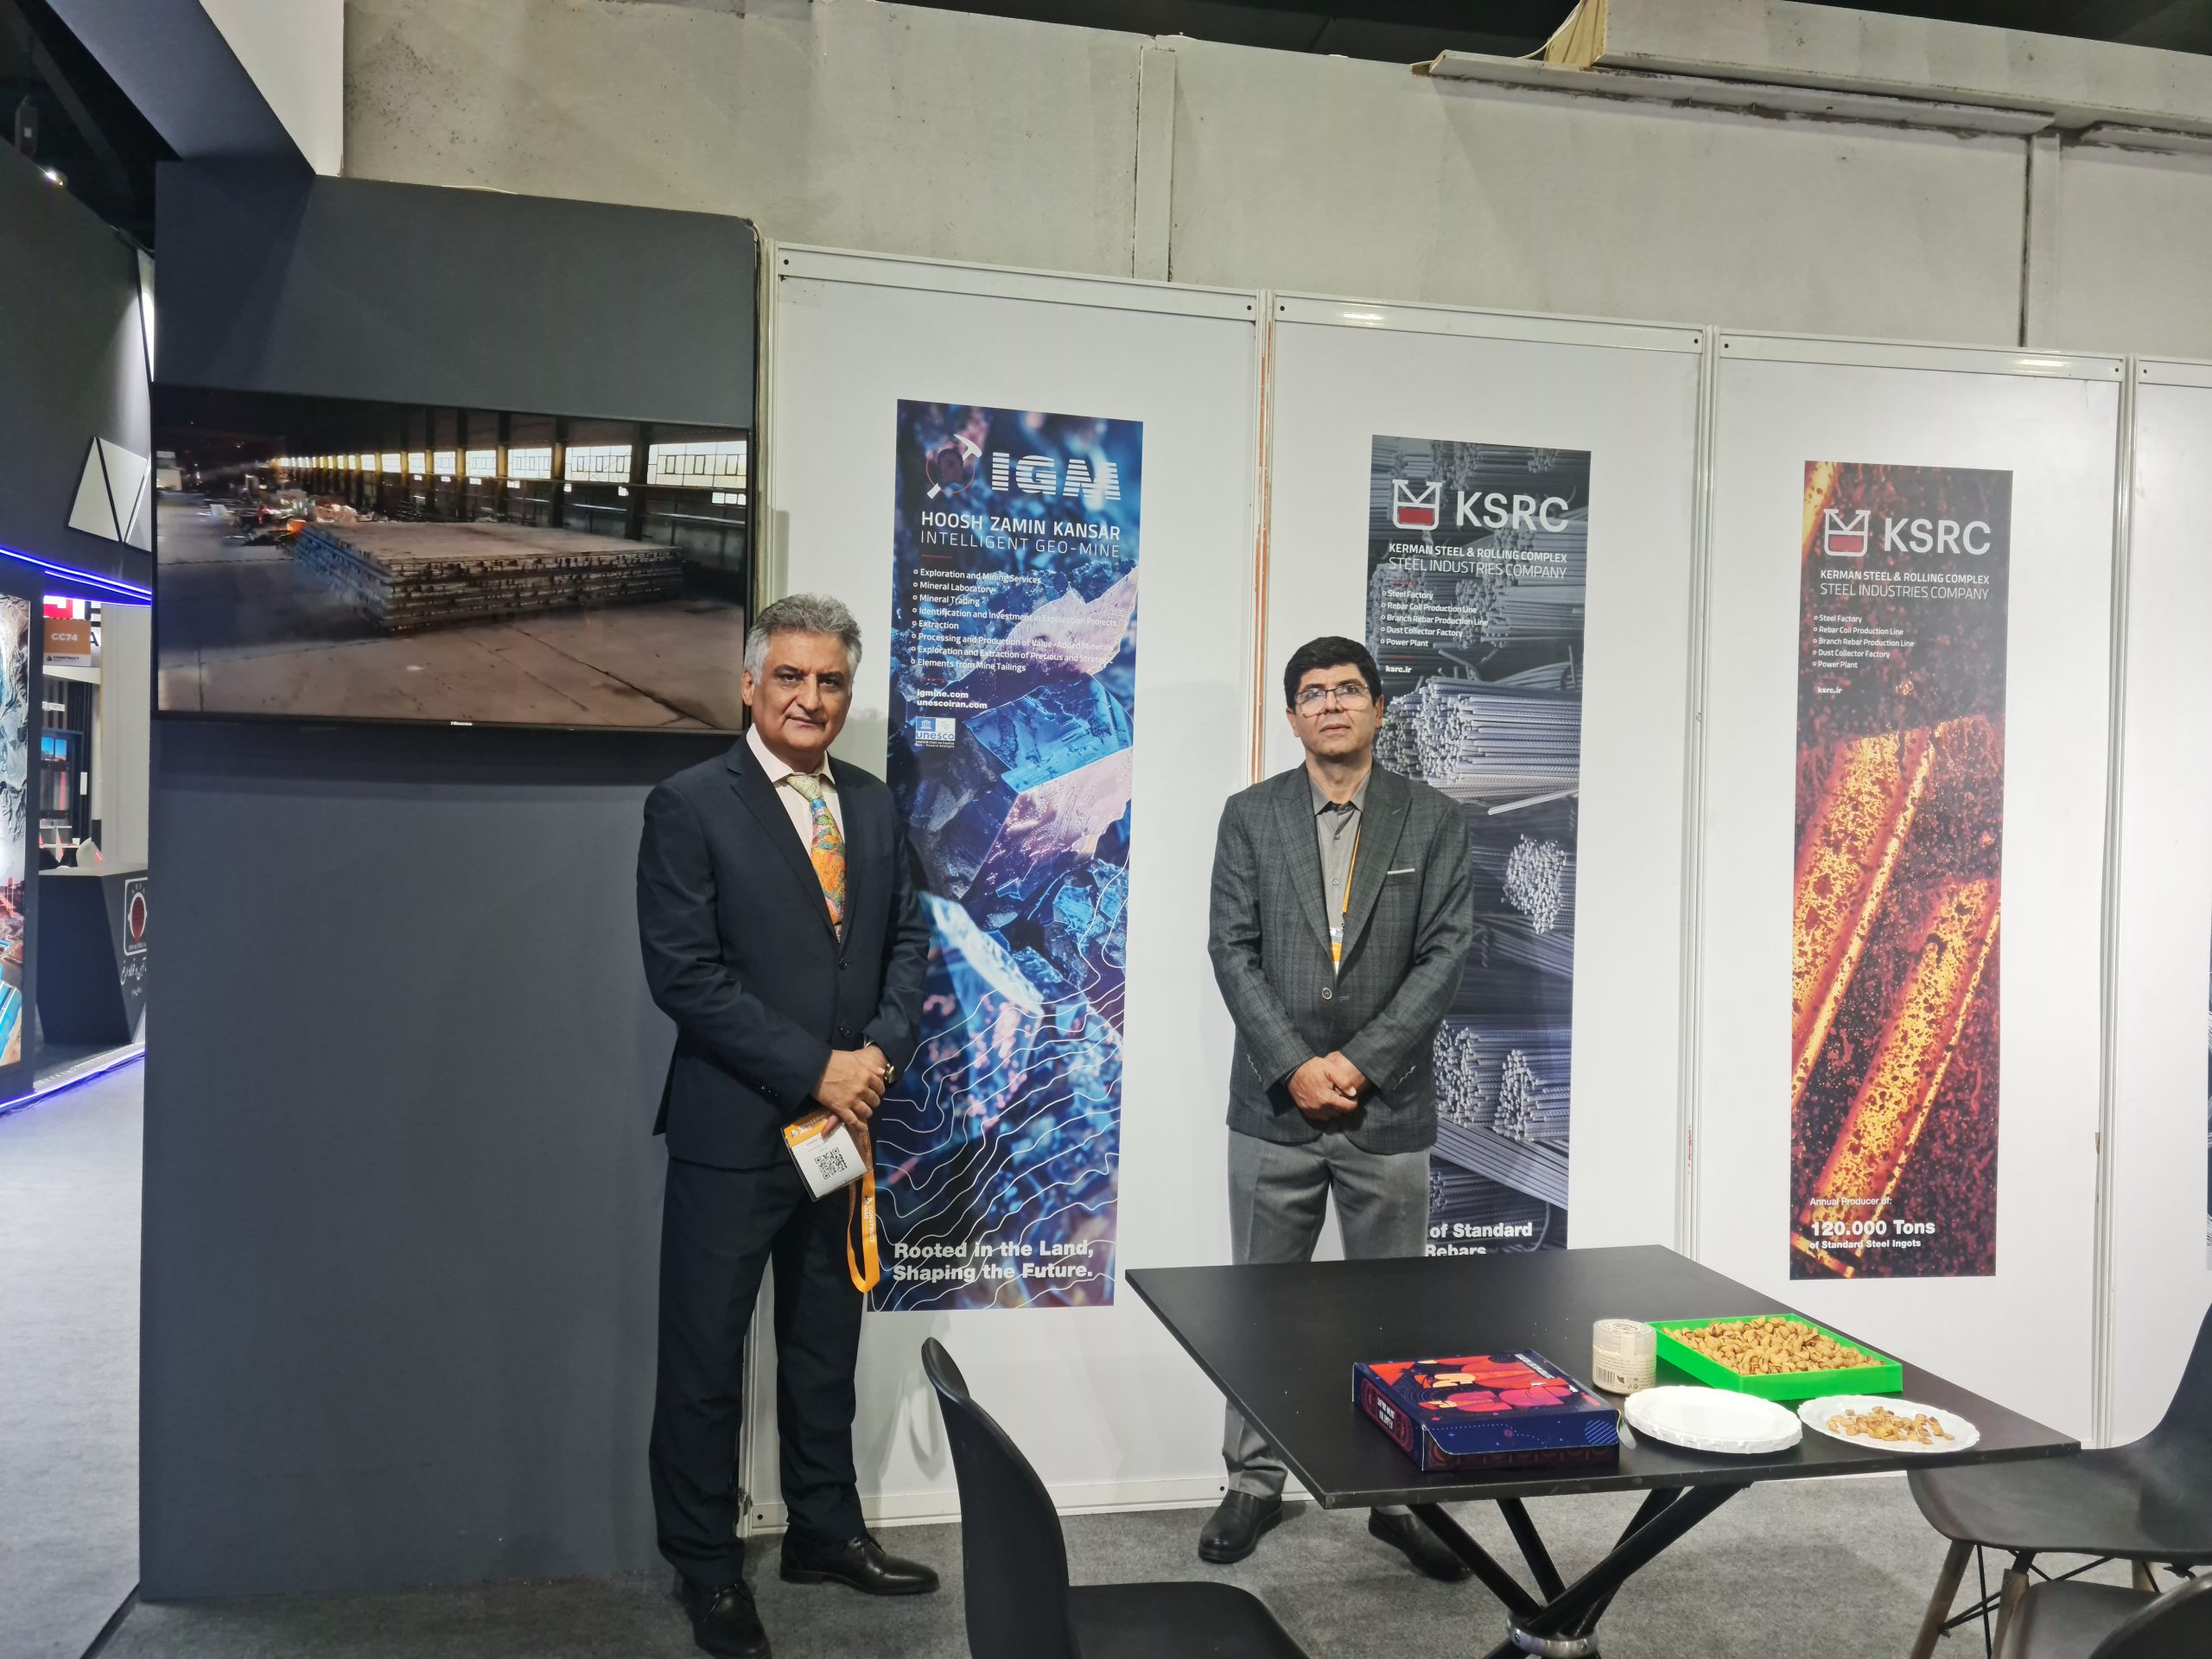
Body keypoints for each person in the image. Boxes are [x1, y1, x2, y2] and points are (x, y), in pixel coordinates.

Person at [637, 594, 938, 1659]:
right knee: (704, 1363)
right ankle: (707, 1567)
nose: (811, 698)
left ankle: (823, 1532)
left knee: (823, 1346)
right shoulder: (689, 804)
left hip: (841, 1131)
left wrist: (875, 1058)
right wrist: (817, 1067)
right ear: (750, 683)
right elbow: (685, 977)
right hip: (734, 1133)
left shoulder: (872, 804)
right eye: (791, 677)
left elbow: (907, 942)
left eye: (831, 682)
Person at [1199, 635, 1478, 1580]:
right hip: (1273, 1112)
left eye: (1348, 689)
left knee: (1395, 1317)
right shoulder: (1250, 817)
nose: (1330, 705)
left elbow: (1444, 955)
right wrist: (1295, 1067)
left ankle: (1398, 1500)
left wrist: (1358, 1063)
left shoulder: (1431, 820)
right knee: (1261, 1308)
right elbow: (1231, 951)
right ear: (1291, 718)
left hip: (1385, 1112)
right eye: (1312, 693)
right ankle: (1253, 1482)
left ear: (1378, 708)